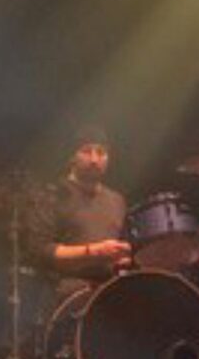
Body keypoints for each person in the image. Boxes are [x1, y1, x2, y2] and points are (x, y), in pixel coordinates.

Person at [32, 125, 131, 299]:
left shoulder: (117, 200)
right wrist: (94, 252)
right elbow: (41, 250)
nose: (94, 159)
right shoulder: (53, 194)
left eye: (101, 152)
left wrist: (124, 259)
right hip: (67, 294)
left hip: (111, 293)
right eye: (86, 151)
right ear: (72, 157)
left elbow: (124, 251)